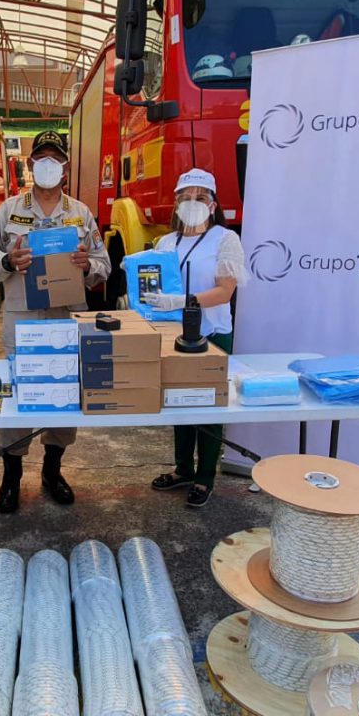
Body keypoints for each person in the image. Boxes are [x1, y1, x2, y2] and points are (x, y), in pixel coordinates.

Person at [0, 129, 110, 514]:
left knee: (64, 395)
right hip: (22, 319)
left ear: (65, 167)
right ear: (30, 164)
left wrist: (88, 267)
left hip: (67, 318)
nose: (49, 164)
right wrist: (6, 261)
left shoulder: (80, 213)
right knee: (20, 395)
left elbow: (104, 265)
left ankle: (52, 472)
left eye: (56, 158)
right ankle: (11, 477)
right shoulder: (9, 210)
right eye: (42, 158)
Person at [142, 169, 244, 510]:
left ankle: (205, 476)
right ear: (176, 203)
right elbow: (153, 285)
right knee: (180, 405)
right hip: (174, 337)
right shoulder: (165, 243)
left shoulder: (224, 240)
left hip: (211, 335)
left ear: (213, 205)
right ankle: (183, 469)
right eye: (185, 197)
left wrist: (182, 302)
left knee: (209, 408)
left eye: (200, 197)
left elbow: (225, 291)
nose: (192, 203)